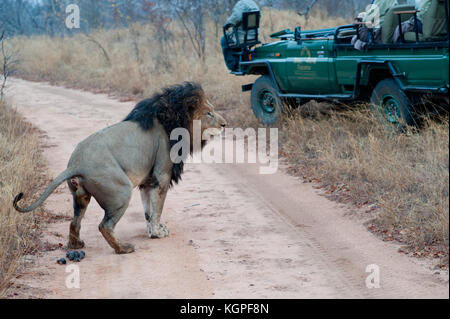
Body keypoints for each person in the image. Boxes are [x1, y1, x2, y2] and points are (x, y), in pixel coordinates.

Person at [221, 0, 260, 71]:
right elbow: (259, 15)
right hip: (254, 36)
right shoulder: (253, 3)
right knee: (235, 40)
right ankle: (242, 59)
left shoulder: (241, 4)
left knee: (224, 40)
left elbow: (236, 17)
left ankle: (233, 66)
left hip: (243, 37)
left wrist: (227, 24)